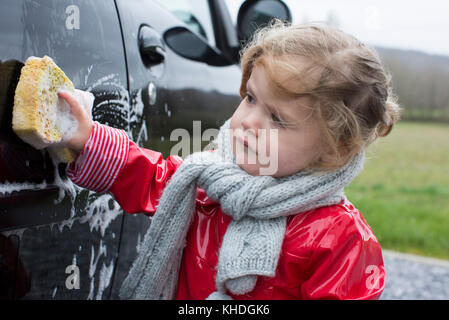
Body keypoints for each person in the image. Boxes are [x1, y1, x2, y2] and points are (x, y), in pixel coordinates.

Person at [58, 21, 401, 300]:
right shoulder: (213, 178)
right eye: (251, 97)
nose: (249, 121)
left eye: (277, 119)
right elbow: (151, 177)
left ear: (335, 149)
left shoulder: (338, 239)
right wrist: (87, 140)